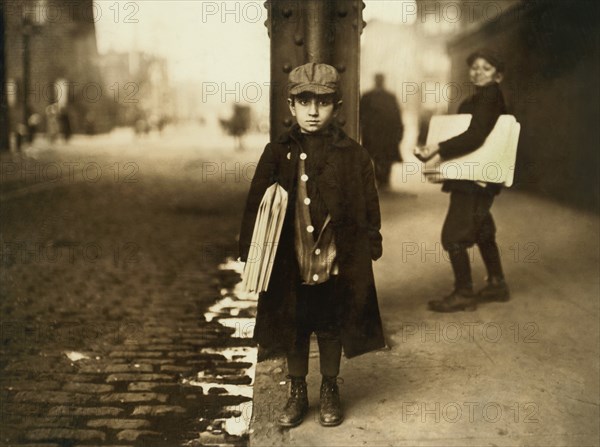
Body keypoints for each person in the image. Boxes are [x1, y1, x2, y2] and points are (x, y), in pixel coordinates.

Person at [239, 63, 385, 428]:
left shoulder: (353, 155)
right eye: (304, 101)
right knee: (295, 323)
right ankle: (297, 390)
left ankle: (331, 387)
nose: (313, 110)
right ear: (291, 106)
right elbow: (256, 201)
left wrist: (371, 239)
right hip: (293, 255)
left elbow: (368, 202)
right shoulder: (277, 152)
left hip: (334, 253)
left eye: (322, 102)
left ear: (336, 106)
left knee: (331, 323)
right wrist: (251, 249)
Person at [415, 49, 510, 312]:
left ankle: (464, 293)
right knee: (481, 230)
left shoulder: (488, 97)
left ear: (498, 76)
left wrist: (437, 148)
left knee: (454, 236)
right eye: (474, 67)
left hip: (474, 178)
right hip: (476, 176)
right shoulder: (481, 98)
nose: (477, 71)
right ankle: (497, 284)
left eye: (486, 68)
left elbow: (476, 136)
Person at [360, 73, 404, 189]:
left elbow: (361, 116)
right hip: (384, 134)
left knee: (377, 157)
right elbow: (397, 116)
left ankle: (382, 179)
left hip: (375, 134)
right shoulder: (389, 97)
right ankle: (383, 179)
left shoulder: (368, 96)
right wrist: (399, 132)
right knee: (384, 157)